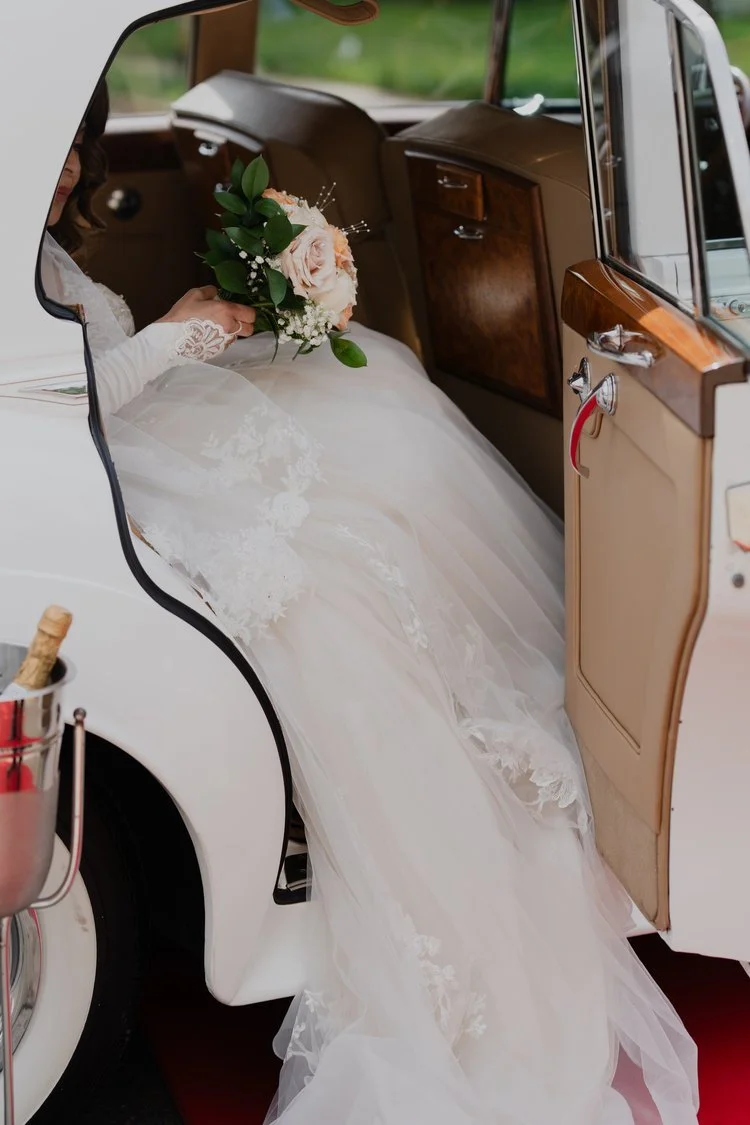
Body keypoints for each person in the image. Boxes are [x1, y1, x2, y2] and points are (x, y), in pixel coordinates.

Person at [43, 82, 699, 1125]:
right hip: (116, 464)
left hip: (145, 434)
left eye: (81, 145)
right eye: (56, 145)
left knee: (380, 390)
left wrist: (213, 330)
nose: (71, 166)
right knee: (339, 550)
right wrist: (174, 339)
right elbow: (58, 399)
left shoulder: (42, 243)